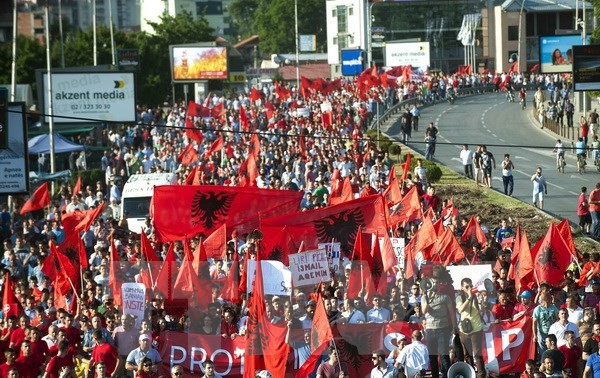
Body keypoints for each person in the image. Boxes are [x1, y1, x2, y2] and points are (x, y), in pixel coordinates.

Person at [422, 274, 456, 378]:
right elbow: (424, 310)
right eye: (433, 283)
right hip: (430, 330)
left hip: (443, 329)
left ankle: (446, 375)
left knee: (444, 355)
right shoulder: (425, 297)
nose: (435, 285)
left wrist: (454, 327)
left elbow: (451, 313)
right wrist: (428, 297)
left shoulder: (445, 297)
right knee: (432, 356)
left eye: (437, 283)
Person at [456, 278, 486, 378]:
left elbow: (482, 311)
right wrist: (469, 298)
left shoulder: (477, 296)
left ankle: (481, 375)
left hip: (476, 329)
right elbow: (460, 310)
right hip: (464, 330)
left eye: (471, 286)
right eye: (466, 287)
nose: (469, 289)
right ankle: (471, 374)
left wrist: (482, 302)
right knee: (467, 355)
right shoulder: (459, 298)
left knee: (477, 354)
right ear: (462, 288)